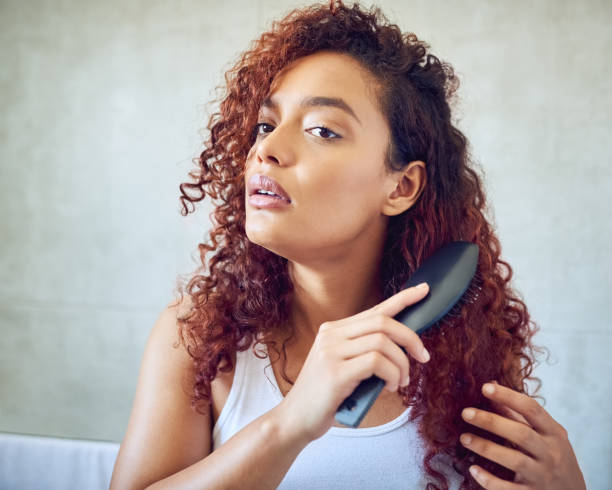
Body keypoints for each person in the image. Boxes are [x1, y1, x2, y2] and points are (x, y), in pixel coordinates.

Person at [110, 1, 586, 488]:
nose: (265, 150)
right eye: (265, 125)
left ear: (400, 187)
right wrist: (293, 421)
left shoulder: (466, 359)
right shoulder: (199, 339)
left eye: (322, 130)